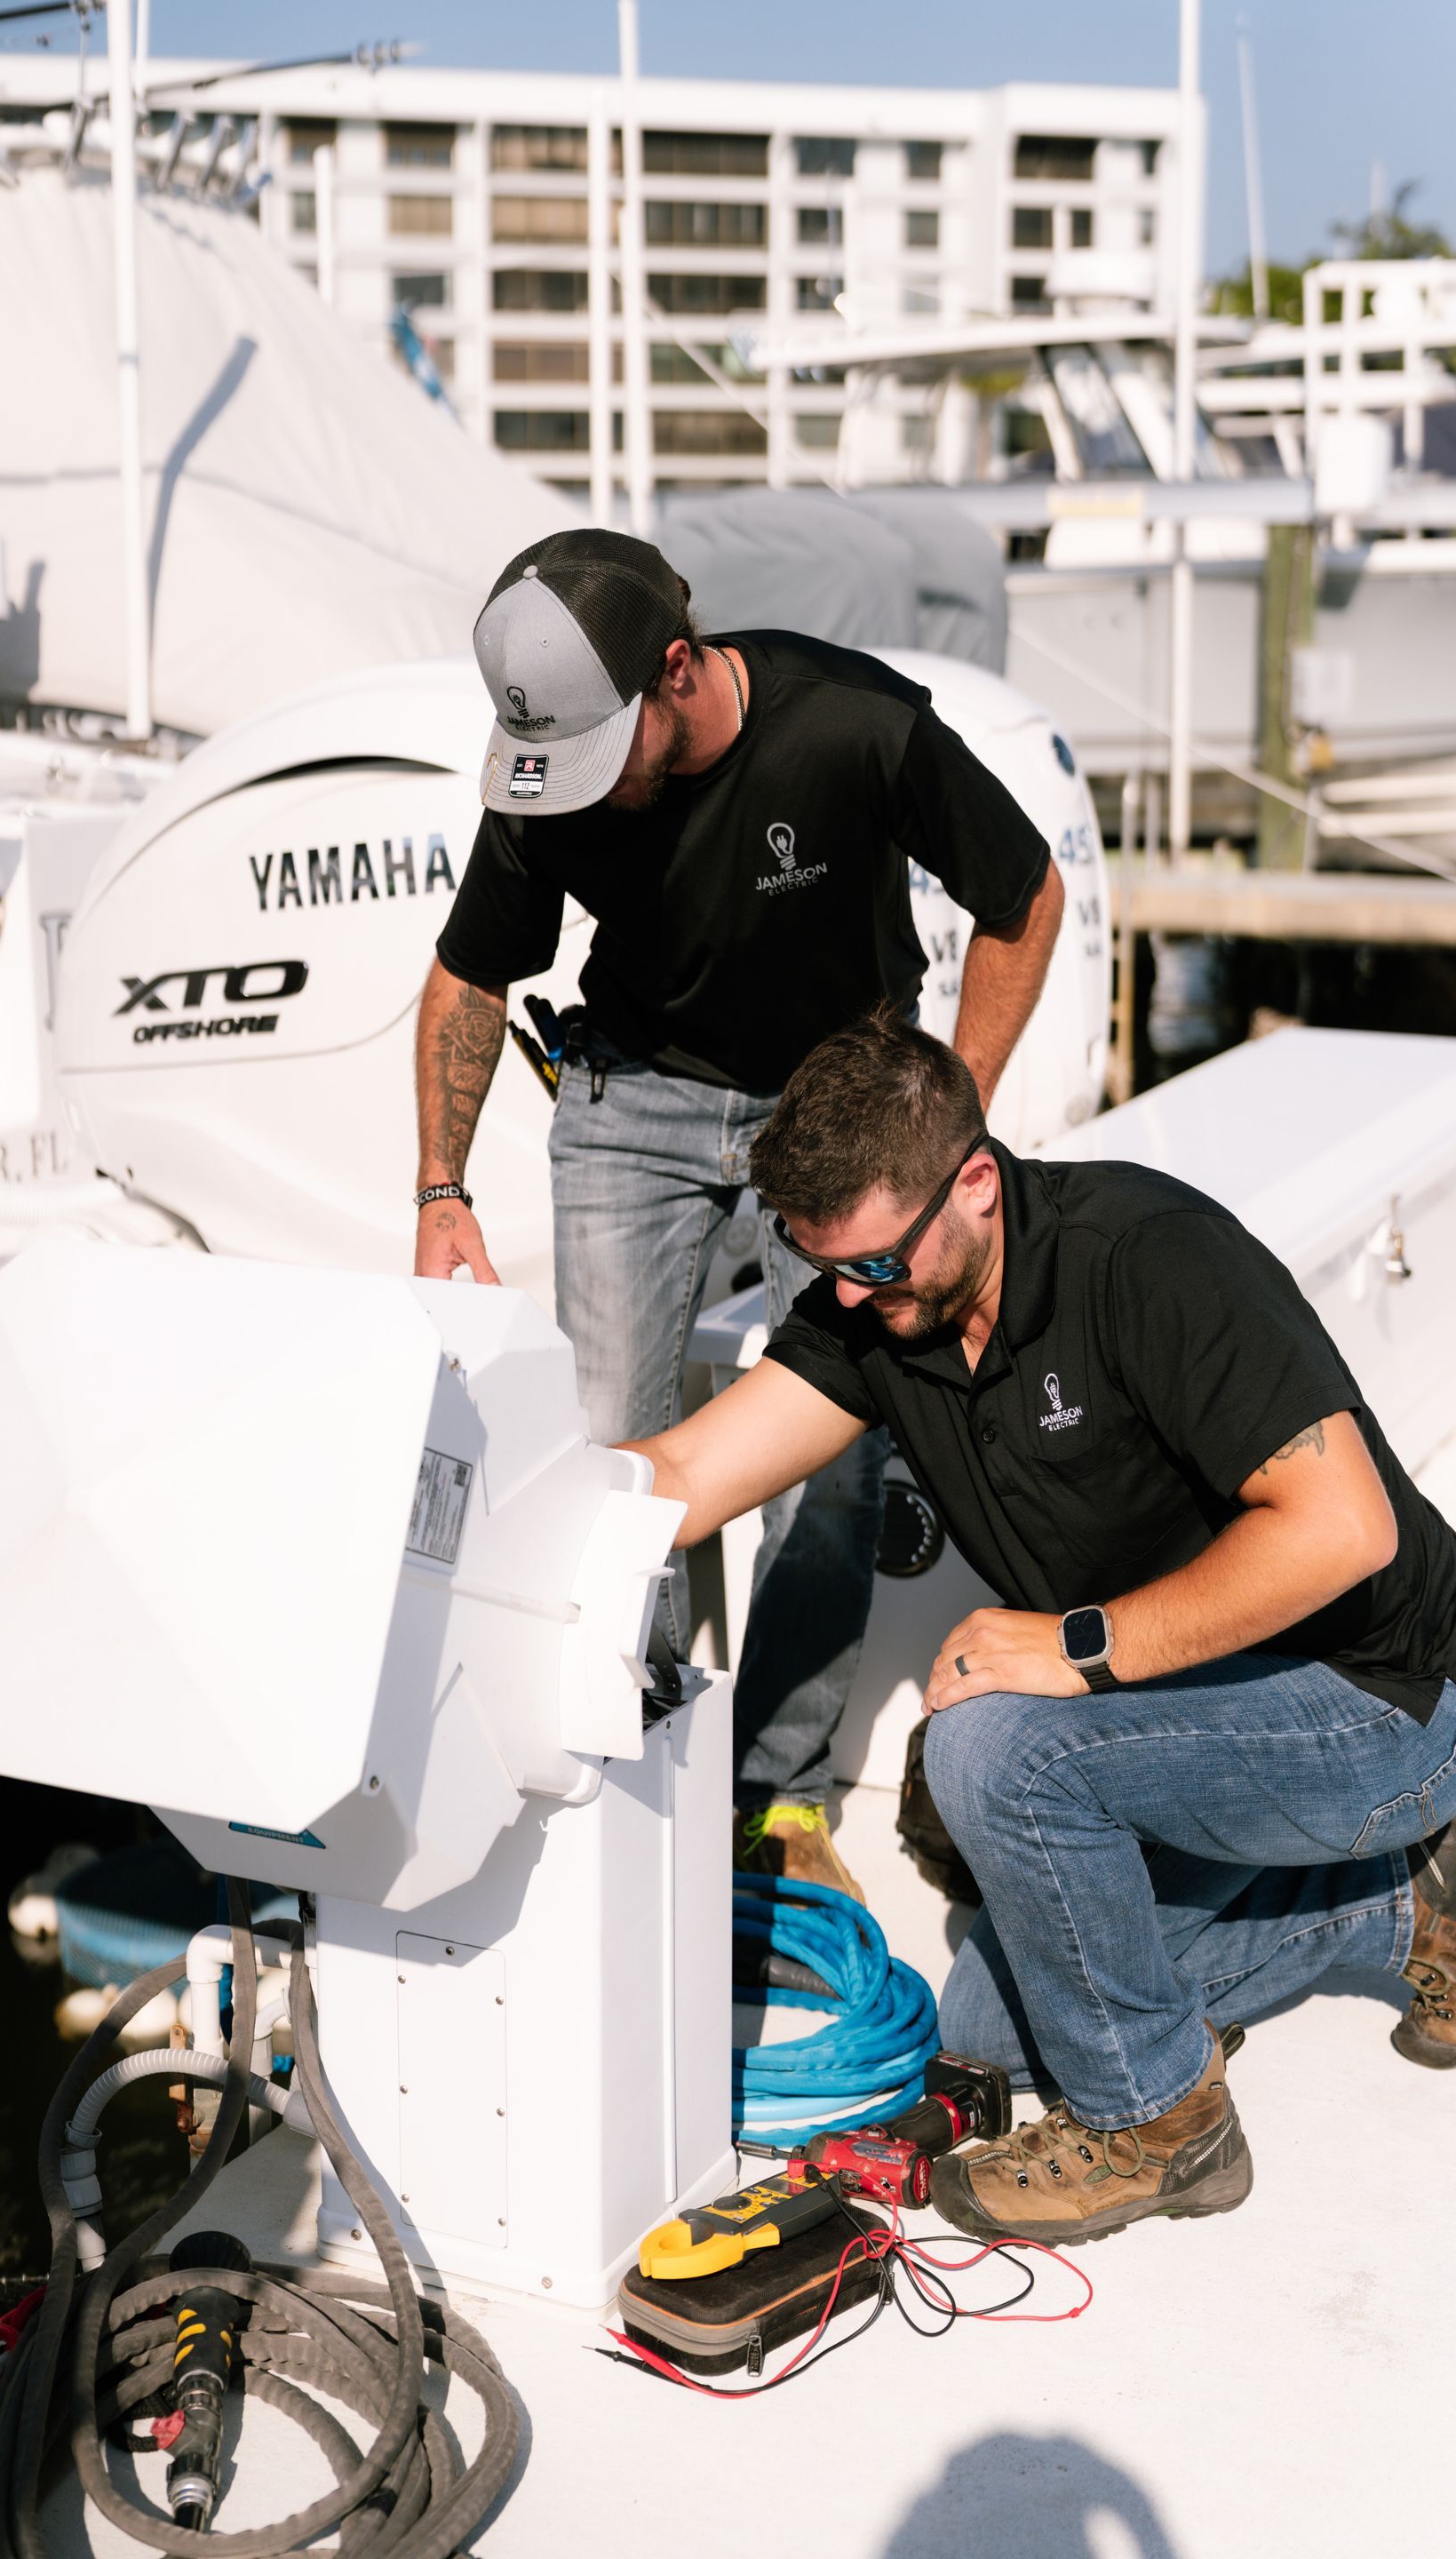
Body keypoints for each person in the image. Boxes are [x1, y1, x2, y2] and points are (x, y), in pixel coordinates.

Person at [624, 1010, 1456, 2246]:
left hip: (1385, 1701)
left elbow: (1343, 1529)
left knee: (986, 1751)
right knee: (985, 2029)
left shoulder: (1146, 1259)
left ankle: (1161, 2124)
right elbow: (680, 1477)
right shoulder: (878, 1309)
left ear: (975, 1183)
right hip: (1200, 1715)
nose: (849, 1296)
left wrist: (1075, 1648)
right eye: (822, 1264)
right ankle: (1402, 1903)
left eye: (876, 1264)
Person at [413, 528, 1064, 1900]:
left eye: (607, 746)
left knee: (830, 1471)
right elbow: (470, 979)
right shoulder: (547, 779)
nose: (581, 791)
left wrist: (948, 1123)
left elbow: (1023, 897)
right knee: (603, 1449)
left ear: (676, 670)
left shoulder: (854, 728)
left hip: (833, 1108)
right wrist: (440, 1191)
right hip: (629, 1101)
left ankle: (777, 1793)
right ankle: (626, 1745)